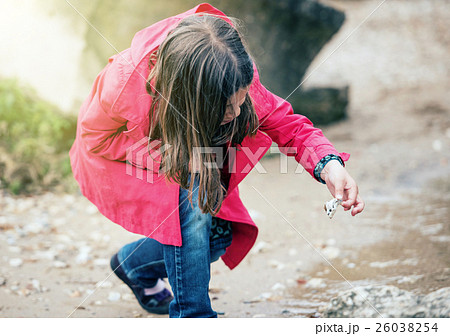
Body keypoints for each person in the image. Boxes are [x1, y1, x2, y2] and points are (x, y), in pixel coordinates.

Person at [69, 3, 364, 318]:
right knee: (192, 209)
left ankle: (133, 265)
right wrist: (171, 156)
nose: (237, 113)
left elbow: (285, 123)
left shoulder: (231, 69)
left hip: (198, 151)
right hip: (125, 161)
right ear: (190, 98)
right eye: (227, 108)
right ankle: (193, 315)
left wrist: (329, 165)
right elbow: (97, 138)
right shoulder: (124, 81)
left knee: (218, 237)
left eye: (240, 101)